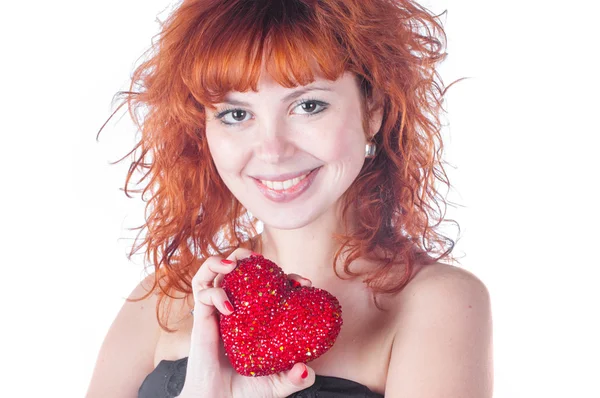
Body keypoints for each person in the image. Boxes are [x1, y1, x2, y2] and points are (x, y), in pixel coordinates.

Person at [86, 0, 493, 397]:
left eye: (308, 105)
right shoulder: (160, 298)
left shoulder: (438, 304)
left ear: (373, 110)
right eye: (236, 114)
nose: (272, 149)